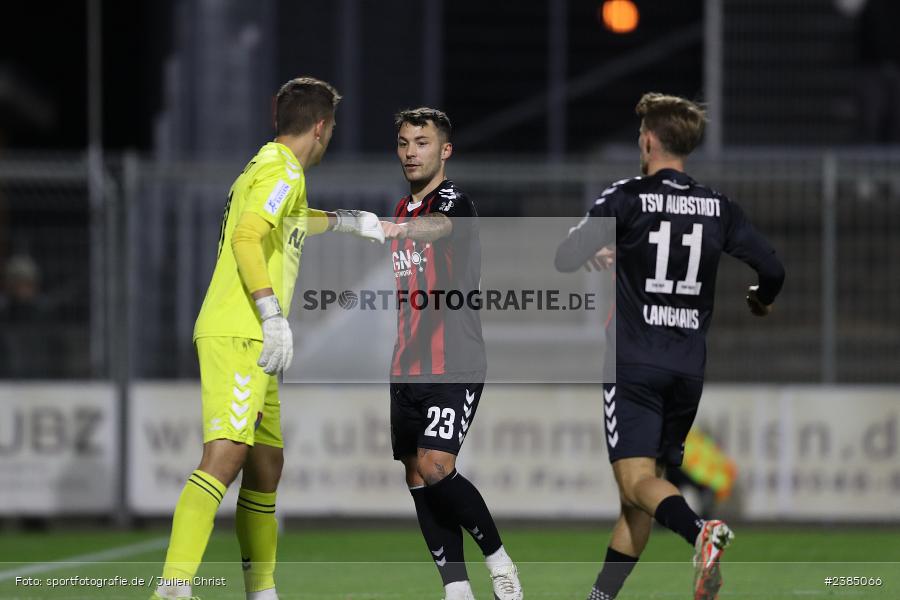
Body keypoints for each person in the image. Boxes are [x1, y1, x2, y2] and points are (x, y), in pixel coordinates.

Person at [151, 76, 384, 600]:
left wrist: (350, 222)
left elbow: (292, 222)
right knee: (228, 453)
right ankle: (171, 589)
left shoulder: (268, 169)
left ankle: (262, 591)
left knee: (266, 464)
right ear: (321, 128)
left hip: (257, 339)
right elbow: (248, 235)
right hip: (243, 329)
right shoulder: (282, 169)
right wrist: (272, 314)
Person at [555, 92, 785, 600]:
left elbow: (565, 255)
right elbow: (772, 268)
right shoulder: (717, 206)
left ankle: (699, 532)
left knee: (638, 484)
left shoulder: (625, 196)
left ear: (648, 140)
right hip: (687, 368)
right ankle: (601, 597)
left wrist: (596, 247)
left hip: (634, 362)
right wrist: (761, 299)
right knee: (641, 493)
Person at [380, 108, 522, 600]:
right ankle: (456, 589)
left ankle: (500, 562)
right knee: (417, 473)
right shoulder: (401, 209)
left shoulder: (455, 202)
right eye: (403, 143)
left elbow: (440, 228)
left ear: (445, 150)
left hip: (455, 358)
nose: (410, 152)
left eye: (421, 142)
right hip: (406, 363)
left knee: (438, 464)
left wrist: (387, 229)